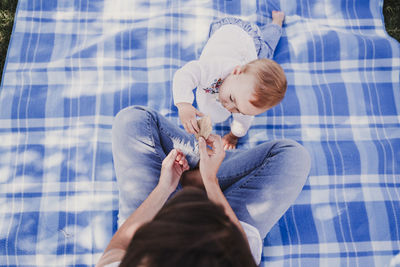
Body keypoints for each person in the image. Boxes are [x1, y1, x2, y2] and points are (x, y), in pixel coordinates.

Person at [96, 106, 311, 266]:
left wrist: (164, 188)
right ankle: (198, 177)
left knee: (133, 120)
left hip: (154, 213)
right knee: (292, 157)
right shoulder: (233, 256)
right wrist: (210, 181)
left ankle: (191, 176)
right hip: (225, 224)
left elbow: (114, 250)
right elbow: (239, 243)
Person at [173, 11, 287, 150]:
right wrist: (184, 104)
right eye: (232, 98)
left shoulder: (244, 100)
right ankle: (276, 23)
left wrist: (234, 136)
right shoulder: (214, 67)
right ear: (236, 72)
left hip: (244, 50)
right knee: (266, 48)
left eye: (239, 110)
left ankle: (277, 23)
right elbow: (185, 74)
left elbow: (243, 121)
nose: (229, 108)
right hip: (228, 32)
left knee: (264, 56)